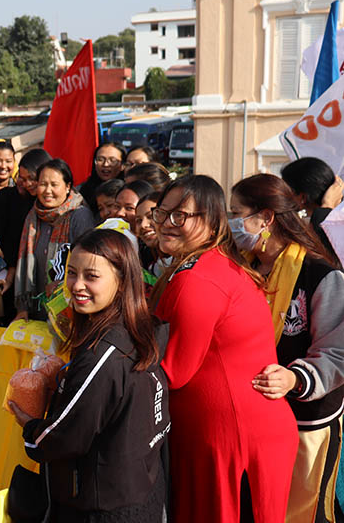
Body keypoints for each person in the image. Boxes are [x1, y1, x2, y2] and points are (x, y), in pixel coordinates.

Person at [151, 174, 298, 523]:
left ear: (213, 219)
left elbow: (174, 370)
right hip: (228, 434)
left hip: (233, 441)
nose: (168, 224)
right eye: (163, 213)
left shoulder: (199, 278)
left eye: (181, 216)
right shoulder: (200, 265)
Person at [11, 228, 169, 523]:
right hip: (142, 488)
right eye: (71, 273)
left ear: (122, 282)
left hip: (104, 505)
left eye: (91, 276)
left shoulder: (103, 355)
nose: (76, 285)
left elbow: (65, 436)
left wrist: (30, 426)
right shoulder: (144, 330)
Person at [231, 174, 344, 523]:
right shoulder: (241, 267)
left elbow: (337, 352)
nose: (231, 223)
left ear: (265, 219)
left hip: (305, 422)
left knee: (302, 512)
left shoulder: (319, 274)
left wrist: (295, 378)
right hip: (251, 422)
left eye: (237, 213)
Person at [14, 158, 96, 321]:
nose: (47, 190)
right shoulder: (33, 216)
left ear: (67, 187)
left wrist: (61, 284)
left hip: (68, 311)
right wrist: (23, 309)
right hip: (37, 312)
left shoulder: (79, 216)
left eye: (54, 184)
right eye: (43, 184)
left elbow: (87, 263)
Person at [0, 148, 52, 321]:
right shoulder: (6, 196)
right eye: (21, 176)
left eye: (31, 179)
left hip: (37, 280)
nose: (24, 183)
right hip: (6, 279)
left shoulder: (46, 207)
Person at [281, 156, 343, 260]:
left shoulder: (337, 224)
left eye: (286, 191)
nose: (283, 196)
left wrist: (326, 207)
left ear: (302, 197)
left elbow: (328, 257)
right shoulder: (304, 223)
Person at [77, 142, 126, 210]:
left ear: (123, 165)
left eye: (112, 160)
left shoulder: (127, 189)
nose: (106, 164)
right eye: (100, 159)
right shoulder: (82, 191)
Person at [134, 191, 171, 278]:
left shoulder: (187, 262)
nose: (143, 225)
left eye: (150, 217)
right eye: (138, 220)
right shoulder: (151, 265)